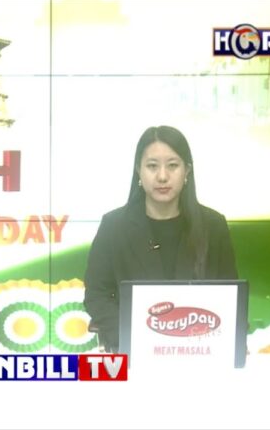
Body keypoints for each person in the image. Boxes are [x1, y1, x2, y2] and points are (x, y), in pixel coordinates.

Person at [83, 125, 238, 352]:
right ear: (138, 170)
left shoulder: (213, 226)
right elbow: (97, 295)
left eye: (173, 165)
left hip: (199, 349)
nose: (162, 176)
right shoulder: (114, 226)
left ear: (187, 171)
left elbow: (230, 294)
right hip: (133, 349)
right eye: (152, 166)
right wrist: (132, 336)